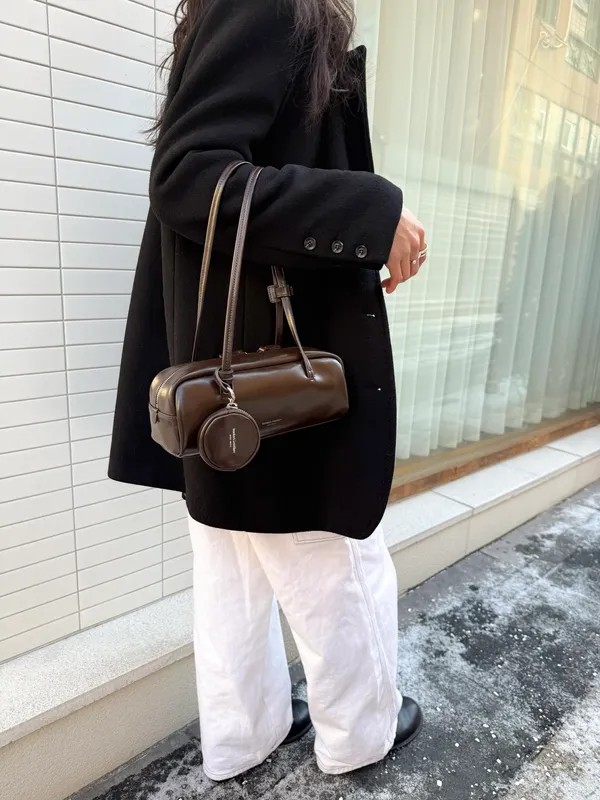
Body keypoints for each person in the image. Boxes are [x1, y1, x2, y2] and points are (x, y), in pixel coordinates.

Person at [109, 0, 427, 781]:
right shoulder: (271, 4)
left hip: (224, 371)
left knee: (232, 563)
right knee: (332, 556)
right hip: (272, 370)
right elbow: (188, 175)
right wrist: (371, 215)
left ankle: (243, 736)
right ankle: (360, 735)